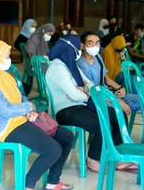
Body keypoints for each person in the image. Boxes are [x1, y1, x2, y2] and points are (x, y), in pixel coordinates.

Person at [0, 39, 74, 190]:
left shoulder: (4, 76)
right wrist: (27, 107)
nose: (9, 59)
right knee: (53, 149)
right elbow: (5, 110)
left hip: (19, 119)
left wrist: (30, 111)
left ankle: (52, 181)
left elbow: (20, 97)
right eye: (6, 55)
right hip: (5, 127)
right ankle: (27, 185)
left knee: (67, 137)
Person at [76, 31, 144, 159]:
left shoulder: (98, 57)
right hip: (96, 100)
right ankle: (123, 149)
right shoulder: (81, 65)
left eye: (97, 43)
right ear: (83, 45)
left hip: (109, 93)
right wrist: (117, 101)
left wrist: (120, 88)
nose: (94, 46)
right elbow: (94, 91)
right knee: (120, 110)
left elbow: (107, 79)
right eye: (90, 43)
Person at [45, 34, 132, 172]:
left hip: (79, 105)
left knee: (117, 114)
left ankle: (117, 157)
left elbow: (91, 86)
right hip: (65, 110)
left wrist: (85, 90)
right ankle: (92, 159)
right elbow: (75, 94)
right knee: (102, 124)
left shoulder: (71, 65)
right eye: (77, 48)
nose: (79, 52)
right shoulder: (57, 68)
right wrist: (85, 93)